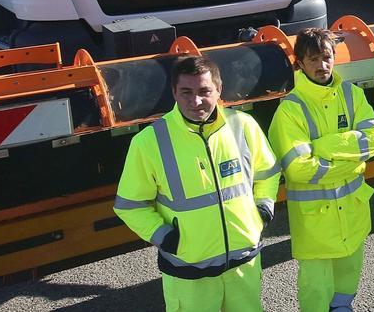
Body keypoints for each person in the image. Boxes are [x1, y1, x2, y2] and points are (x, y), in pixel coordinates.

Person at [114, 55, 279, 312]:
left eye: (205, 91)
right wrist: (166, 238)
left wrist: (263, 210)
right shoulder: (149, 142)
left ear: (219, 89)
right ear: (174, 92)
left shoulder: (243, 126)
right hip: (189, 272)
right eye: (186, 92)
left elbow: (267, 173)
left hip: (243, 263)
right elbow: (129, 205)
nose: (196, 101)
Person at [268, 28, 374, 312]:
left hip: (352, 212)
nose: (322, 65)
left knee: (349, 272)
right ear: (300, 64)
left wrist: (323, 147)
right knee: (315, 287)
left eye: (327, 57)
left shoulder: (351, 93)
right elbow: (298, 169)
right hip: (315, 223)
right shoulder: (290, 110)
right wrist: (352, 162)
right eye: (313, 59)